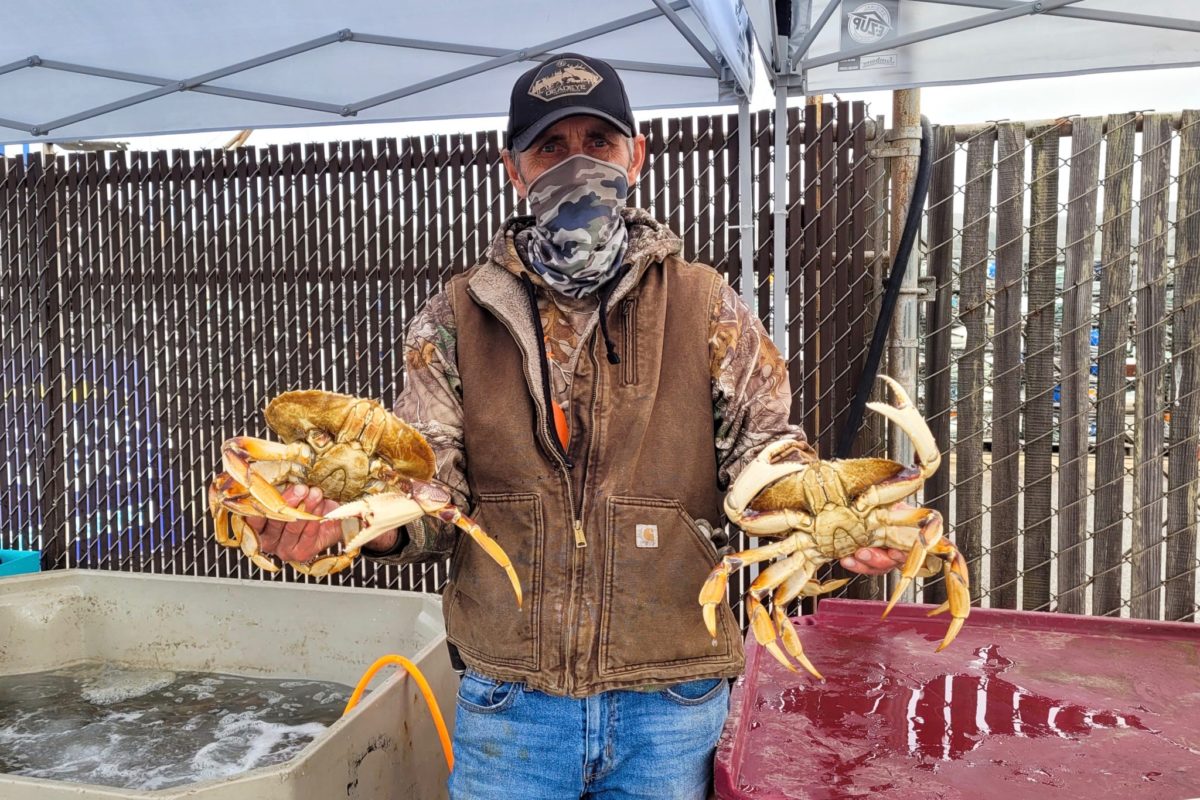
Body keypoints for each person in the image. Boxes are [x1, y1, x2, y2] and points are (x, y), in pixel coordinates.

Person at [245, 53, 903, 799]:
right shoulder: (456, 317)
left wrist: (831, 521)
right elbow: (429, 492)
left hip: (671, 697)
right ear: (513, 169)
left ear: (637, 155)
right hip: (512, 702)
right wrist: (356, 526)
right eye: (550, 147)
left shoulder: (704, 304)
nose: (577, 163)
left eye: (599, 141)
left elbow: (765, 456)